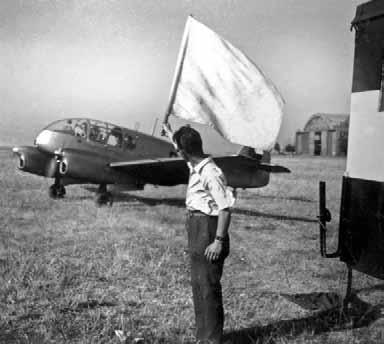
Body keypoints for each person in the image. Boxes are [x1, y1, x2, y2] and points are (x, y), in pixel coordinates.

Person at [168, 125, 235, 344]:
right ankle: (203, 336)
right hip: (197, 227)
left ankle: (213, 339)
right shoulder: (196, 164)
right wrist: (170, 134)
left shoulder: (210, 173)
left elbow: (225, 208)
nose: (178, 152)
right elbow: (186, 156)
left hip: (209, 229)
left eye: (178, 149)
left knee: (208, 287)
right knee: (198, 285)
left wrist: (218, 241)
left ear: (184, 151)